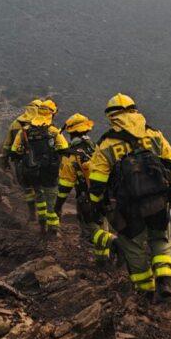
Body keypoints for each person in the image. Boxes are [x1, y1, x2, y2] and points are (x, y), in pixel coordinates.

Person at [86, 93, 171, 301]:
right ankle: (165, 280)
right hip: (158, 200)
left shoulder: (106, 144)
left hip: (127, 206)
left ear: (111, 116)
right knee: (160, 237)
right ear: (134, 109)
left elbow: (97, 181)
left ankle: (145, 291)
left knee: (133, 245)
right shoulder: (153, 134)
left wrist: (96, 205)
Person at [55, 112, 112, 264]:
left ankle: (116, 244)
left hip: (86, 198)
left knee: (90, 230)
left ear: (70, 132)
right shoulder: (96, 147)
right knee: (102, 225)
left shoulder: (71, 154)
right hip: (103, 194)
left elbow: (65, 184)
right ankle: (103, 260)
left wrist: (58, 206)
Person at [10, 98, 68, 236]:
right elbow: (64, 148)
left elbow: (15, 150)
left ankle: (42, 224)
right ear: (52, 114)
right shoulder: (53, 131)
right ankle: (53, 229)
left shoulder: (24, 131)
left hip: (31, 170)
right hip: (49, 171)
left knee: (39, 197)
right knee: (51, 199)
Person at [1, 100, 40, 221]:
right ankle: (43, 216)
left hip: (20, 163)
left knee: (27, 189)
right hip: (38, 163)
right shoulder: (42, 124)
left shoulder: (15, 123)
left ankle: (32, 214)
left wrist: (5, 160)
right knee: (40, 189)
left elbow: (7, 144)